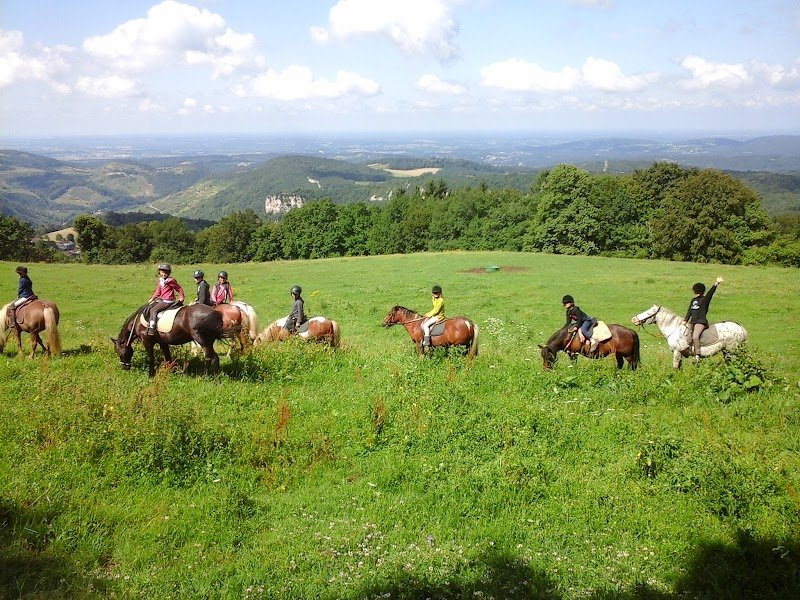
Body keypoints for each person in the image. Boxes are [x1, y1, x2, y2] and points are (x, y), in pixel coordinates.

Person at [684, 275, 724, 361]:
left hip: (700, 322)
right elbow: (689, 311)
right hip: (692, 322)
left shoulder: (705, 299)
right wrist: (685, 320)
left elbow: (711, 292)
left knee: (695, 337)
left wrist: (716, 283)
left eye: (697, 291)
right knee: (686, 336)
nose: (696, 292)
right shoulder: (693, 300)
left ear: (700, 291)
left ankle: (697, 355)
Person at [145, 263, 185, 335]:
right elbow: (158, 292)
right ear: (159, 272)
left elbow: (179, 288)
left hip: (168, 301)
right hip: (162, 299)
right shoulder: (161, 281)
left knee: (153, 310)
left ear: (168, 273)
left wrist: (181, 297)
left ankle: (152, 328)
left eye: (166, 272)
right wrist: (152, 298)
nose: (164, 274)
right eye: (162, 272)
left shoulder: (170, 281)